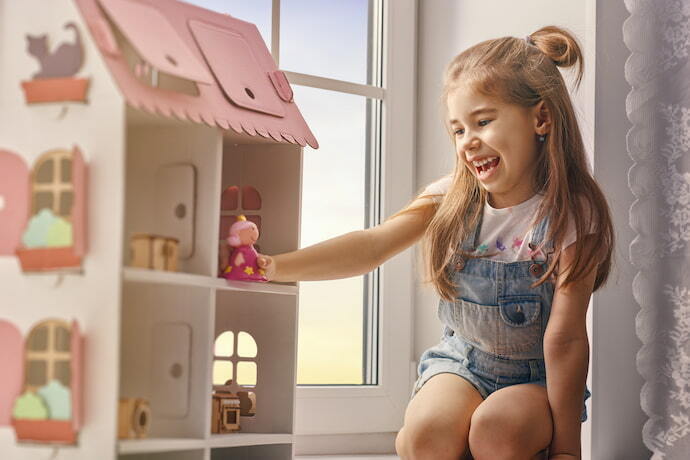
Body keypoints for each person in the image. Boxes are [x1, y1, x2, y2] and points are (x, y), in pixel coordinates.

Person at [256, 25, 614, 460]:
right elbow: (371, 246)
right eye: (458, 130)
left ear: (540, 119)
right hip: (461, 365)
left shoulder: (573, 214)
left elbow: (566, 339)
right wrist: (273, 267)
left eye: (483, 121)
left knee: (497, 431)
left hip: (534, 380)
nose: (469, 142)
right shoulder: (452, 197)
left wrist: (566, 450)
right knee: (424, 435)